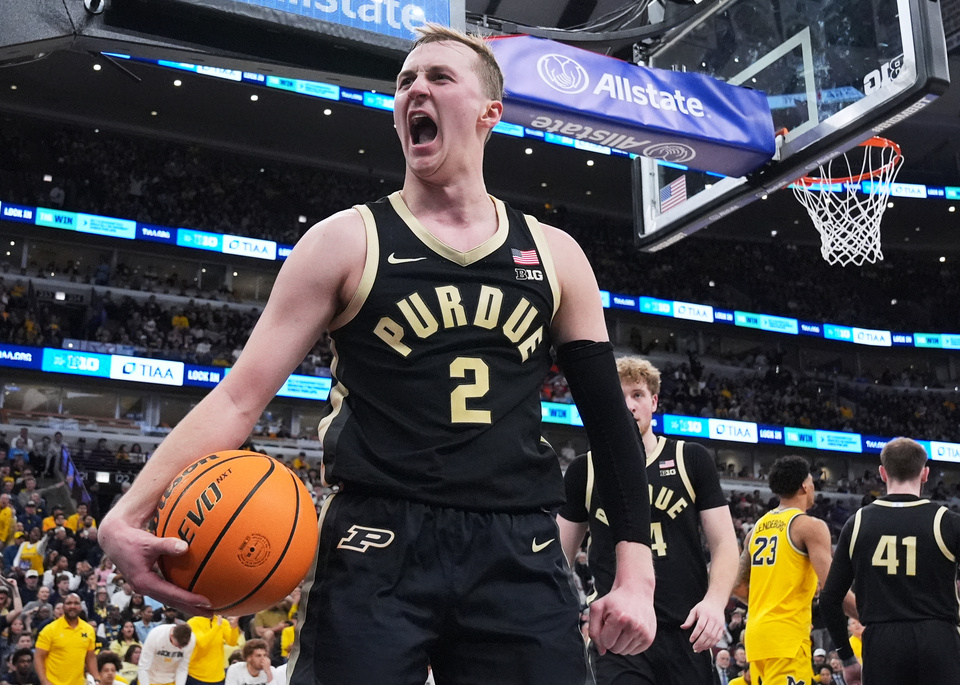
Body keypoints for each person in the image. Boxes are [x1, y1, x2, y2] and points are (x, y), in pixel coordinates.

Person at [99, 22, 656, 685]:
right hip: (376, 539)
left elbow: (609, 425)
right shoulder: (345, 241)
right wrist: (126, 512)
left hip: (518, 543)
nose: (414, 89)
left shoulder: (556, 253)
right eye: (404, 81)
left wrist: (635, 566)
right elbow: (238, 397)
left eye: (439, 77)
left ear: (489, 113)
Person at [557, 356, 738, 684]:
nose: (628, 405)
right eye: (619, 396)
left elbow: (725, 543)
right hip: (619, 634)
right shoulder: (585, 470)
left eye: (637, 395)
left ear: (654, 401)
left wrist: (714, 602)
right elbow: (557, 559)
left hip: (687, 631)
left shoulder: (689, 459)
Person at [820, 437, 960, 685]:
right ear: (925, 474)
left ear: (882, 473)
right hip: (938, 638)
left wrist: (848, 657)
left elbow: (830, 598)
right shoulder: (947, 521)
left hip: (882, 642)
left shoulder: (857, 523)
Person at [732, 456, 853, 685]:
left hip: (757, 639)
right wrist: (868, 617)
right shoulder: (809, 526)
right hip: (787, 640)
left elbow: (736, 585)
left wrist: (770, 603)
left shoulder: (755, 530)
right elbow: (833, 588)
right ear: (804, 486)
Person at [33, 594, 99, 685]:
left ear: (80, 607)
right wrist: (44, 681)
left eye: (76, 603)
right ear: (63, 607)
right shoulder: (49, 629)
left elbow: (90, 657)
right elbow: (38, 657)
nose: (72, 606)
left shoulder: (89, 629)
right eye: (69, 603)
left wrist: (97, 678)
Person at [185, 615, 239, 685]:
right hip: (196, 676)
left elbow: (232, 642)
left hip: (218, 677)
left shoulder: (223, 622)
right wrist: (216, 626)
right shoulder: (193, 622)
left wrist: (234, 628)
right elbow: (202, 643)